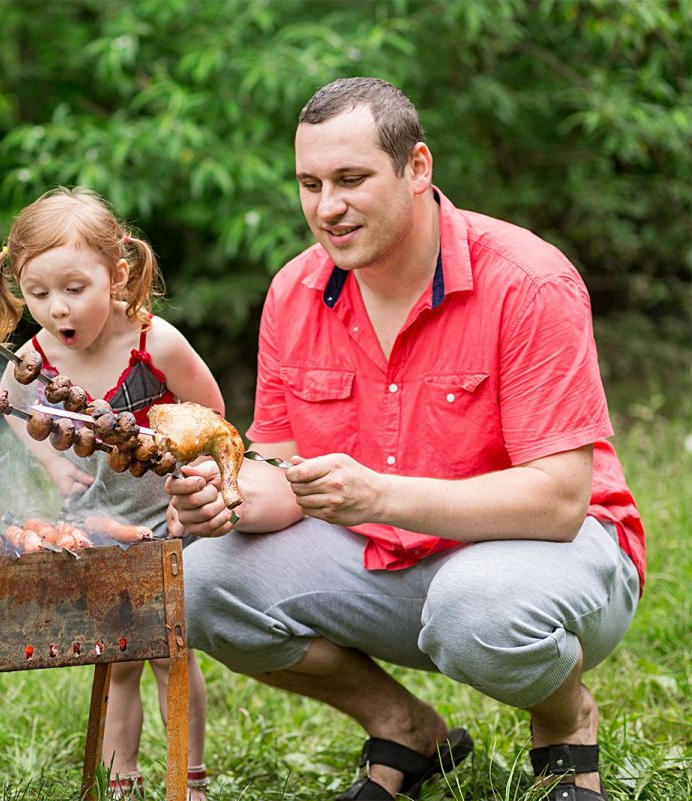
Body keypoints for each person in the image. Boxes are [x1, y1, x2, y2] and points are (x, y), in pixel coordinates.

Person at [165, 78, 644, 801]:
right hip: (386, 559)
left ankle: (564, 722)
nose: (327, 206)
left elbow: (559, 502)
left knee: (474, 606)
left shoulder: (528, 281)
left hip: (552, 562)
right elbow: (281, 469)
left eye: (351, 179)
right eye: (310, 184)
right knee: (200, 582)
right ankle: (405, 728)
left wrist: (381, 495)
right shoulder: (294, 292)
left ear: (417, 167)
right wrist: (225, 495)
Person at [0, 187, 220, 800]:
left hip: (164, 521)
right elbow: (13, 408)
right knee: (118, 658)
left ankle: (189, 779)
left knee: (169, 654)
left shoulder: (155, 343)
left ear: (117, 275)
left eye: (74, 288)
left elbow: (211, 415)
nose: (57, 308)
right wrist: (54, 467)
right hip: (94, 522)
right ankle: (122, 781)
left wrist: (190, 485)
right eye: (38, 294)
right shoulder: (35, 356)